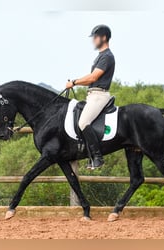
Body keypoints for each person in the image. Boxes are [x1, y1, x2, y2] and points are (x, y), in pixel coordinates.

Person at [66, 24, 115, 168]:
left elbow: (93, 77)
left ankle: (97, 157)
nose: (93, 40)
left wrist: (74, 82)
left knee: (83, 122)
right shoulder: (100, 56)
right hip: (93, 95)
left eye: (95, 37)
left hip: (99, 95)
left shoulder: (107, 56)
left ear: (104, 37)